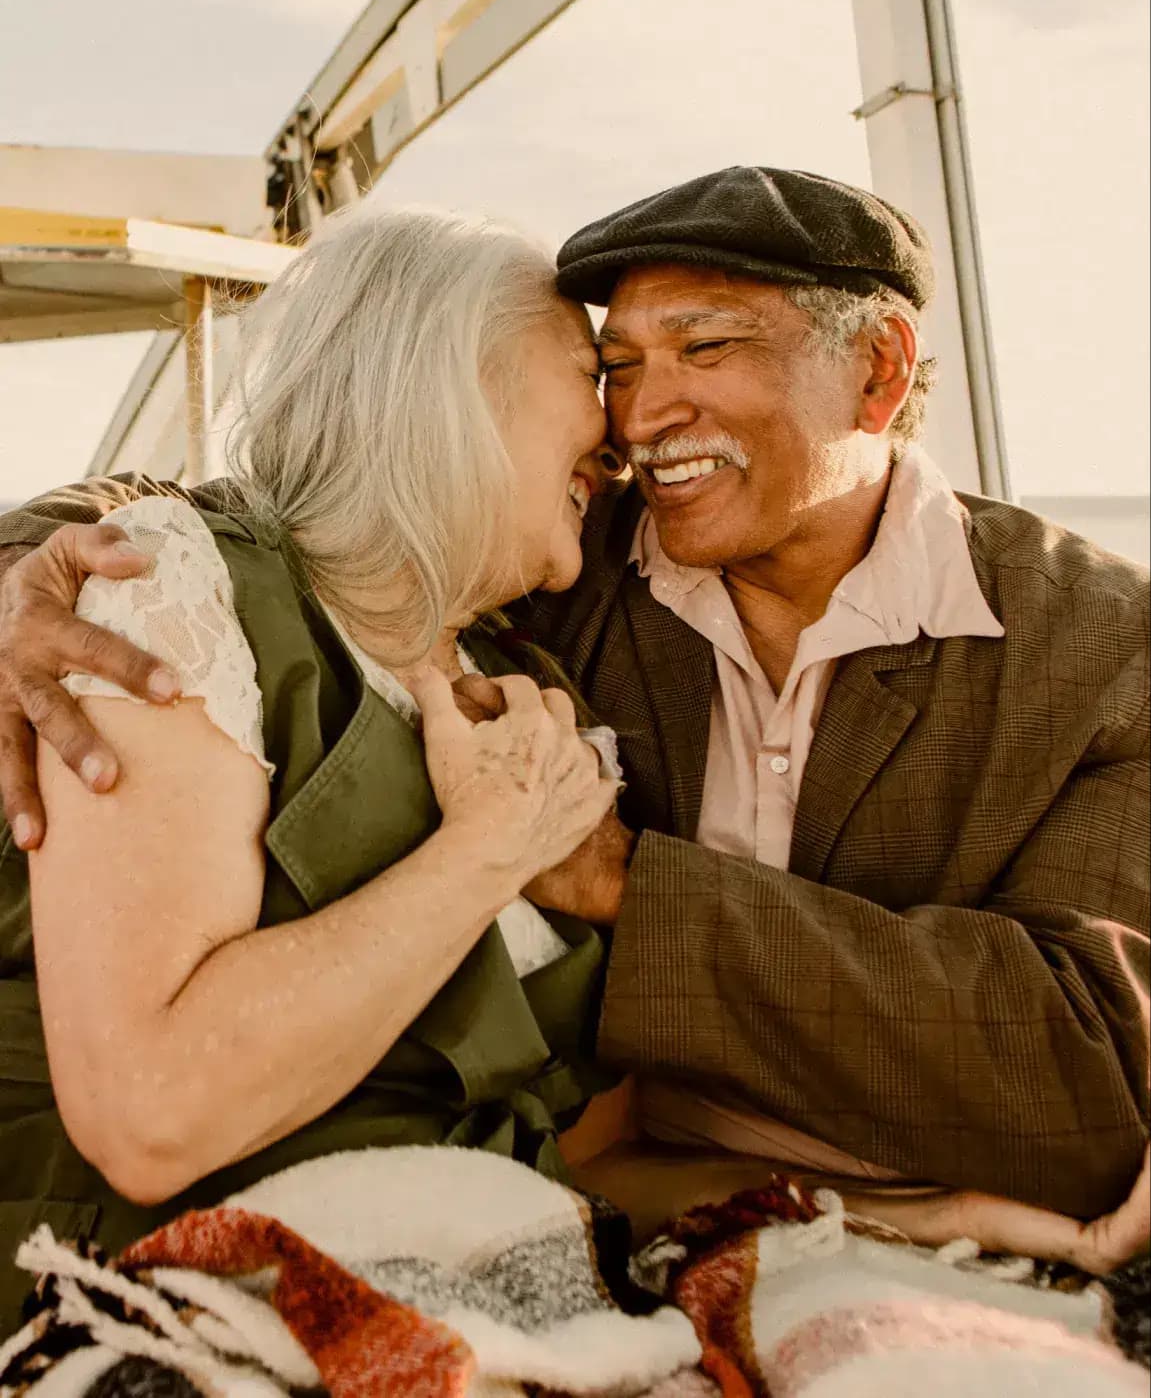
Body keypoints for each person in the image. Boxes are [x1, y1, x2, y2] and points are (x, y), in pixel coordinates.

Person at [1, 167, 1147, 1237]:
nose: (638, 420)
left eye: (701, 346)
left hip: (741, 1195)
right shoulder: (571, 553)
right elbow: (298, 504)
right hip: (568, 1191)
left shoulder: (1101, 650)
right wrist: (32, 567)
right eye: (618, 369)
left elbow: (1086, 1075)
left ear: (878, 371)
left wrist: (618, 884)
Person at [0, 205, 628, 1329]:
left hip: (481, 1299)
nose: (615, 437)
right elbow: (151, 1112)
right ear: (450, 389)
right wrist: (485, 852)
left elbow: (595, 1139)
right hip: (151, 1303)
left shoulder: (531, 688)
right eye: (587, 371)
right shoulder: (175, 596)